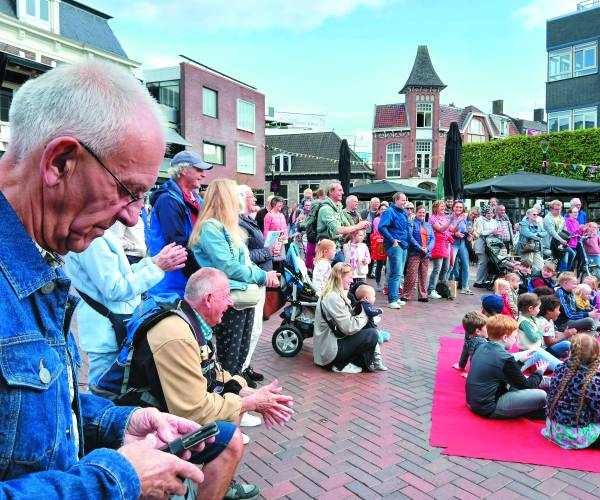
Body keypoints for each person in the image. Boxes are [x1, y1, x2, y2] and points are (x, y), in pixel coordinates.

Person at [0, 61, 210, 497]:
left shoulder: (43, 254)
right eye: (127, 190)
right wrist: (116, 479)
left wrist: (117, 421)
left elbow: (31, 409)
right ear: (59, 162)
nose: (132, 214)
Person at [114, 267, 294, 497]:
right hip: (129, 426)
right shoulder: (176, 333)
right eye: (227, 295)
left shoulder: (190, 319)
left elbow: (216, 374)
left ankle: (220, 483)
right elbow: (193, 410)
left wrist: (248, 393)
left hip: (156, 411)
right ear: (209, 299)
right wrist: (251, 404)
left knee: (233, 406)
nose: (231, 302)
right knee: (231, 441)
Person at [65, 224, 187, 384]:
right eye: (135, 200)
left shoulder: (98, 233)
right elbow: (115, 289)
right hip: (105, 334)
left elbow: (123, 275)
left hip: (110, 330)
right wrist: (157, 268)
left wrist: (153, 262)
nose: (142, 206)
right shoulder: (93, 239)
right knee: (102, 391)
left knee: (109, 389)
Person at [189, 179, 279, 377]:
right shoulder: (211, 228)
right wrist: (261, 275)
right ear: (226, 198)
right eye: (235, 195)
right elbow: (228, 266)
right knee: (230, 356)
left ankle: (236, 397)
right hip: (229, 296)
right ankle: (230, 400)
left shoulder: (225, 226)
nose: (239, 200)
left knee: (239, 354)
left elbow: (239, 262)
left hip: (238, 296)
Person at [147, 150, 212, 299]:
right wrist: (201, 275)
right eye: (199, 169)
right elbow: (177, 243)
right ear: (183, 170)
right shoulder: (168, 200)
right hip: (172, 284)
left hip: (189, 280)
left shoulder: (196, 199)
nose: (203, 174)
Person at [466, 315, 548, 420]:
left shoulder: (482, 347)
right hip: (488, 407)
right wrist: (540, 371)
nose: (515, 340)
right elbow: (527, 386)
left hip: (474, 402)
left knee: (527, 381)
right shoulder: (504, 357)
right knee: (541, 395)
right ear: (505, 338)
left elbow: (510, 375)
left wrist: (520, 361)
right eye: (514, 336)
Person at [238, 185, 279, 388]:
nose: (255, 199)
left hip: (259, 278)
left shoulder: (248, 220)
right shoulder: (238, 224)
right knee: (251, 327)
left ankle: (245, 366)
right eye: (251, 196)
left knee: (256, 326)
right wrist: (268, 251)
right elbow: (244, 257)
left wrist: (269, 251)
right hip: (252, 280)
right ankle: (241, 369)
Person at [313, 263, 379, 373]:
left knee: (367, 330)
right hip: (329, 353)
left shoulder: (333, 293)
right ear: (340, 277)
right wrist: (365, 314)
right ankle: (340, 365)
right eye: (349, 277)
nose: (352, 281)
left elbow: (344, 319)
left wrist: (357, 311)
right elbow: (348, 328)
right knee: (372, 334)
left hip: (328, 346)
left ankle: (348, 362)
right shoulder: (333, 297)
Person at [543, 333, 600, 449]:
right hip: (576, 435)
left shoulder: (559, 368)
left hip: (553, 429)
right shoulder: (593, 381)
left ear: (570, 351)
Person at [317, 182, 369, 264]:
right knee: (325, 275)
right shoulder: (325, 209)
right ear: (331, 192)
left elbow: (348, 226)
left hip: (336, 249)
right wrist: (358, 226)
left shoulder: (338, 208)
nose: (343, 193)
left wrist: (361, 227)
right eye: (340, 190)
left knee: (344, 273)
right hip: (325, 250)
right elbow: (338, 230)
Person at [378, 192, 409, 309]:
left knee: (399, 273)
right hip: (395, 245)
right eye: (403, 200)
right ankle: (392, 300)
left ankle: (395, 297)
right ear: (396, 200)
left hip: (403, 245)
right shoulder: (389, 211)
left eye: (405, 200)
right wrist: (392, 240)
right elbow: (381, 227)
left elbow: (406, 228)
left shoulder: (403, 213)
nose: (404, 203)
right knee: (395, 273)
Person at [516, 293, 562, 371]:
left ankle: (562, 367)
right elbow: (534, 338)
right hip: (527, 353)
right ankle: (564, 369)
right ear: (530, 309)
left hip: (533, 351)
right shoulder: (525, 322)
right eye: (538, 308)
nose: (539, 310)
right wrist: (542, 331)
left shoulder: (531, 318)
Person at [402, 205, 434, 303]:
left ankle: (423, 295)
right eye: (420, 212)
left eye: (423, 212)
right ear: (416, 213)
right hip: (415, 252)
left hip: (426, 253)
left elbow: (433, 238)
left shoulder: (428, 225)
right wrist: (420, 248)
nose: (422, 214)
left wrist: (427, 248)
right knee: (411, 274)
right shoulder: (411, 223)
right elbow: (410, 237)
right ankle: (406, 294)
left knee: (423, 275)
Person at [354, 284, 388, 371]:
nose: (375, 298)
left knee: (371, 347)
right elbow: (371, 312)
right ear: (366, 298)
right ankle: (378, 363)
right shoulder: (365, 305)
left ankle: (371, 360)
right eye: (373, 296)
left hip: (363, 331)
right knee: (376, 346)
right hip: (369, 331)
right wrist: (379, 310)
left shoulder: (357, 304)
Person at [427, 200, 452, 299]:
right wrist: (451, 220)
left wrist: (458, 221)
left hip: (446, 243)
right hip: (437, 244)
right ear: (435, 208)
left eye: (444, 206)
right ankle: (431, 289)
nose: (443, 208)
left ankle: (441, 288)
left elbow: (452, 230)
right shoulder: (432, 218)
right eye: (441, 206)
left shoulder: (445, 218)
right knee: (437, 268)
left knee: (446, 267)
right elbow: (441, 229)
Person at [538, 295, 576, 359]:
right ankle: (571, 359)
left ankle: (568, 355)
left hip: (551, 347)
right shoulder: (543, 322)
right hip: (544, 351)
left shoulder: (549, 320)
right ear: (549, 311)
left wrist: (564, 334)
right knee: (566, 344)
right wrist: (564, 335)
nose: (559, 312)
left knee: (572, 340)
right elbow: (549, 343)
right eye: (558, 309)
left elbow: (551, 334)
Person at [473, 204, 501, 287]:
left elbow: (495, 231)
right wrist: (492, 231)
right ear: (484, 213)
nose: (490, 214)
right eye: (488, 213)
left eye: (491, 213)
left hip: (491, 245)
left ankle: (484, 281)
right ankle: (478, 282)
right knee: (483, 262)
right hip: (481, 244)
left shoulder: (494, 221)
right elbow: (480, 232)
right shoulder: (479, 220)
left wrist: (497, 233)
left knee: (488, 262)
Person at [448, 200, 472, 295]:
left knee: (466, 265)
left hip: (462, 242)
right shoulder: (449, 217)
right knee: (450, 265)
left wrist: (469, 234)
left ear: (463, 209)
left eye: (460, 207)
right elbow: (446, 231)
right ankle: (448, 285)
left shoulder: (465, 218)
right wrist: (454, 233)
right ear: (453, 207)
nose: (458, 209)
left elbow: (467, 230)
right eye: (456, 207)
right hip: (452, 242)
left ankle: (465, 286)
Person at [544, 200, 573, 272]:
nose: (559, 211)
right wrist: (561, 240)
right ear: (551, 209)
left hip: (559, 243)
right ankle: (560, 275)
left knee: (571, 254)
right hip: (551, 244)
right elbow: (552, 232)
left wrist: (568, 236)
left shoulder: (561, 218)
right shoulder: (548, 218)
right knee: (561, 260)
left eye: (560, 209)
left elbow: (564, 230)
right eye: (556, 209)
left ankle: (564, 273)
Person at [361, 197, 381, 277]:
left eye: (378, 203)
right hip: (368, 235)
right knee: (367, 253)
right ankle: (368, 271)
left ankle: (372, 272)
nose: (376, 204)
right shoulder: (364, 212)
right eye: (375, 202)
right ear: (371, 203)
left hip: (377, 236)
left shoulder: (380, 213)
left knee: (375, 254)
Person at [372, 202, 389, 292]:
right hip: (379, 243)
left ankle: (386, 282)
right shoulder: (376, 219)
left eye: (385, 209)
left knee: (387, 264)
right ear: (379, 211)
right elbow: (379, 229)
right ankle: (378, 282)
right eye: (382, 209)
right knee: (379, 264)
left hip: (388, 242)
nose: (383, 211)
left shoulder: (390, 218)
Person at [564, 207, 581, 272]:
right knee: (567, 264)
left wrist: (582, 231)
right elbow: (569, 233)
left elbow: (578, 235)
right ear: (570, 213)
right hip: (568, 245)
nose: (576, 213)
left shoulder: (577, 222)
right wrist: (578, 230)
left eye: (577, 212)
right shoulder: (566, 221)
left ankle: (570, 278)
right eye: (574, 212)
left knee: (572, 264)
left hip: (575, 245)